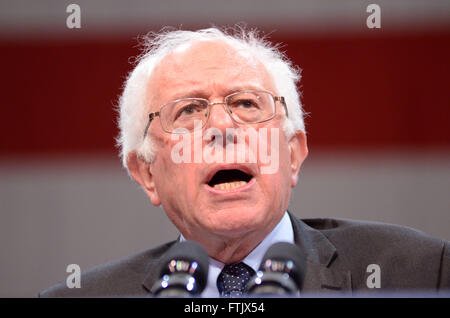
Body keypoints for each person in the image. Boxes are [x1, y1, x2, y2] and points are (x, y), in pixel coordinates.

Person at [40, 26, 449, 297]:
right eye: (188, 111)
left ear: (292, 154)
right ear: (147, 172)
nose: (221, 126)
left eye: (246, 103)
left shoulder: (422, 274)